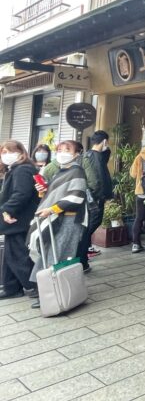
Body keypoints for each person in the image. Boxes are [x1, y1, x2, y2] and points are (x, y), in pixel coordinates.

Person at [29, 140, 88, 309]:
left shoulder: (77, 171)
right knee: (49, 251)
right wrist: (43, 191)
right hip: (56, 218)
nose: (62, 152)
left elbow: (77, 196)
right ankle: (45, 289)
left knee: (59, 254)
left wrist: (52, 209)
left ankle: (55, 292)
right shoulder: (62, 171)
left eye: (67, 149)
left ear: (77, 154)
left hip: (68, 219)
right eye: (60, 149)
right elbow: (54, 194)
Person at [0, 141, 39, 300]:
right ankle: (11, 287)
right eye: (3, 152)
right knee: (11, 253)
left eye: (9, 151)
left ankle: (35, 287)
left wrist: (7, 210)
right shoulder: (17, 169)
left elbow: (21, 194)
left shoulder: (22, 170)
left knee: (17, 255)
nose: (5, 155)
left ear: (20, 152)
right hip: (17, 218)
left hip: (18, 219)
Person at [75, 131, 114, 269]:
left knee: (86, 229)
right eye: (107, 142)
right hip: (95, 200)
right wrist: (101, 197)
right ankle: (80, 259)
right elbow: (97, 181)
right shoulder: (95, 157)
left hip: (86, 199)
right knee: (86, 230)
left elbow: (105, 157)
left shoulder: (86, 155)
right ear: (104, 141)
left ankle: (82, 259)